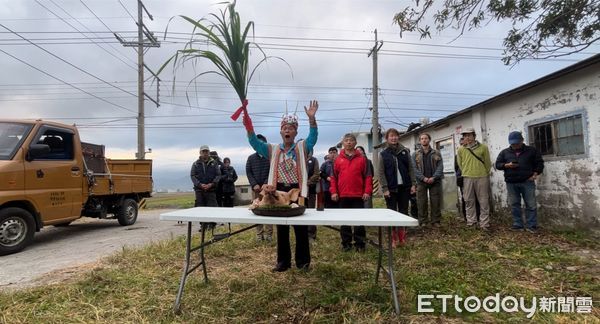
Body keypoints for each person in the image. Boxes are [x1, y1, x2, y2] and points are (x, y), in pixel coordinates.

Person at [243, 100, 319, 272]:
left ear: (296, 132)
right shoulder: (273, 149)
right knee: (281, 228)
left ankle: (303, 263)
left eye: (291, 128)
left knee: (300, 227)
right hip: (278, 191)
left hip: (297, 190)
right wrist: (249, 128)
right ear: (280, 131)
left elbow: (313, 138)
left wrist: (312, 120)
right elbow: (255, 143)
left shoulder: (302, 147)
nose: (287, 130)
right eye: (285, 127)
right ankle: (283, 262)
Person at [330, 133, 372, 252]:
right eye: (346, 140)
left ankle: (360, 244)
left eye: (351, 140)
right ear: (343, 143)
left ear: (355, 143)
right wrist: (333, 192)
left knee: (359, 221)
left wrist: (367, 191)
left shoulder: (363, 159)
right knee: (344, 221)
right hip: (343, 195)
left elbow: (368, 177)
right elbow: (333, 178)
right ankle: (346, 244)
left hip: (358, 195)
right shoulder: (338, 160)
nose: (349, 142)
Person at [495, 131, 544, 233]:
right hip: (511, 183)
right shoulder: (504, 152)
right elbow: (498, 165)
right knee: (515, 204)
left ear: (522, 140)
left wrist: (535, 174)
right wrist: (506, 165)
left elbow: (539, 163)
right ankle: (518, 225)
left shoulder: (532, 151)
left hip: (527, 182)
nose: (515, 145)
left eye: (517, 143)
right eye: (513, 144)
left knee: (531, 204)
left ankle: (531, 226)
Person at [377, 128, 415, 247]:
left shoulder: (405, 151)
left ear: (398, 137)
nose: (394, 138)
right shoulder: (383, 154)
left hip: (404, 187)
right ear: (387, 138)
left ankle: (402, 238)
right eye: (391, 136)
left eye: (396, 136)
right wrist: (385, 188)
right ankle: (393, 239)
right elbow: (381, 173)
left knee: (403, 212)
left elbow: (411, 168)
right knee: (392, 213)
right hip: (391, 189)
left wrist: (413, 184)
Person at [456, 127, 492, 232]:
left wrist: (483, 172)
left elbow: (488, 163)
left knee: (484, 201)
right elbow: (460, 164)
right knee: (468, 201)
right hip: (467, 177)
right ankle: (471, 222)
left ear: (474, 136)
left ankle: (484, 223)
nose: (467, 137)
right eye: (465, 135)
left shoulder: (483, 148)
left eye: (469, 135)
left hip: (481, 177)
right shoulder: (461, 149)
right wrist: (466, 171)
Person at [412, 133, 444, 227]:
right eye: (422, 139)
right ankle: (423, 221)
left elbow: (440, 167)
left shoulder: (436, 153)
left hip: (434, 181)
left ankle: (436, 220)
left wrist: (434, 177)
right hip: (421, 182)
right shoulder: (415, 154)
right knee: (422, 202)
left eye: (426, 138)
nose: (424, 140)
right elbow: (414, 168)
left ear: (429, 140)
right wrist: (423, 178)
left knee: (435, 201)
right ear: (420, 141)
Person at [246, 134, 273, 242]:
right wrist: (254, 184)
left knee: (269, 210)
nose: (259, 145)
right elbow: (248, 172)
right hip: (256, 190)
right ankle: (259, 234)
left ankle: (269, 234)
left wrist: (265, 184)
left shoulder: (270, 157)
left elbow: (272, 170)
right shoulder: (251, 158)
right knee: (257, 210)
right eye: (257, 143)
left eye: (262, 143)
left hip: (268, 190)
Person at [455, 136, 480, 222]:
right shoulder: (457, 155)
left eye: (464, 143)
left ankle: (477, 217)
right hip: (463, 180)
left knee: (476, 198)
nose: (463, 145)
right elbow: (456, 168)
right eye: (461, 144)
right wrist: (460, 178)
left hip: (475, 178)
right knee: (465, 199)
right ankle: (467, 218)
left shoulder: (475, 153)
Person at [306, 155, 320, 241]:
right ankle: (302, 233)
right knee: (300, 211)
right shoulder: (296, 159)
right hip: (299, 191)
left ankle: (311, 234)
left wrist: (308, 182)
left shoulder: (314, 160)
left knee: (311, 212)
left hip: (311, 190)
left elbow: (316, 174)